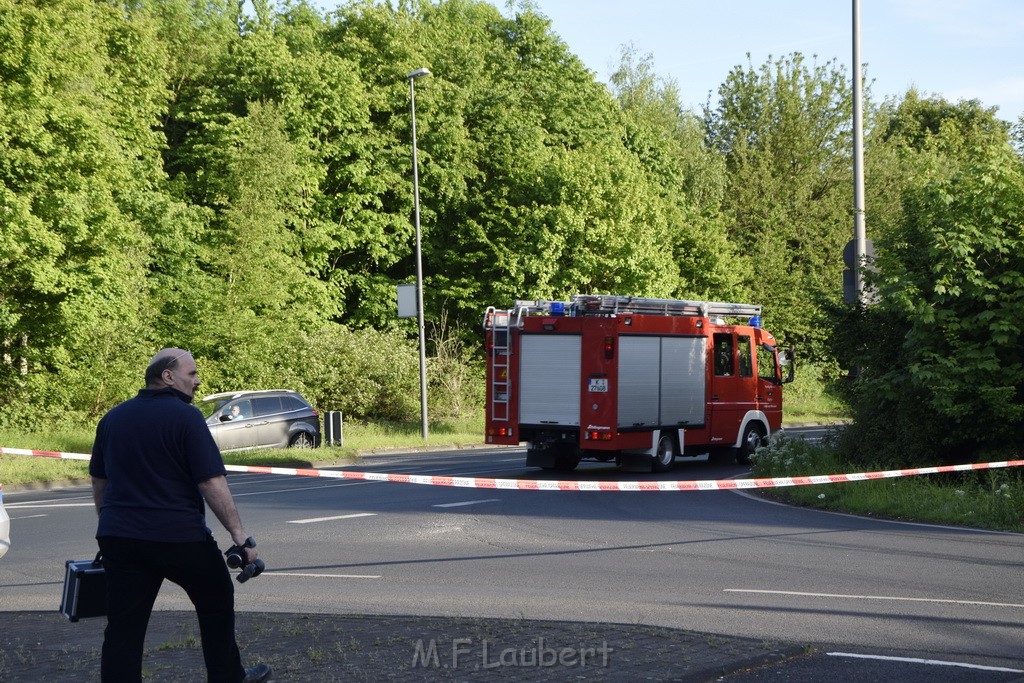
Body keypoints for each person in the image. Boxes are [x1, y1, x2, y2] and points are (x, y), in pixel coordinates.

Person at [89, 348, 272, 683]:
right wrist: (239, 536)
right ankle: (228, 677)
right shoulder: (185, 417)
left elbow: (100, 481)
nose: (197, 381)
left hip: (121, 538)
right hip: (177, 537)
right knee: (216, 599)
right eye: (192, 373)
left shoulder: (113, 418)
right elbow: (211, 481)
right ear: (167, 376)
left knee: (123, 627)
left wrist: (107, 528)